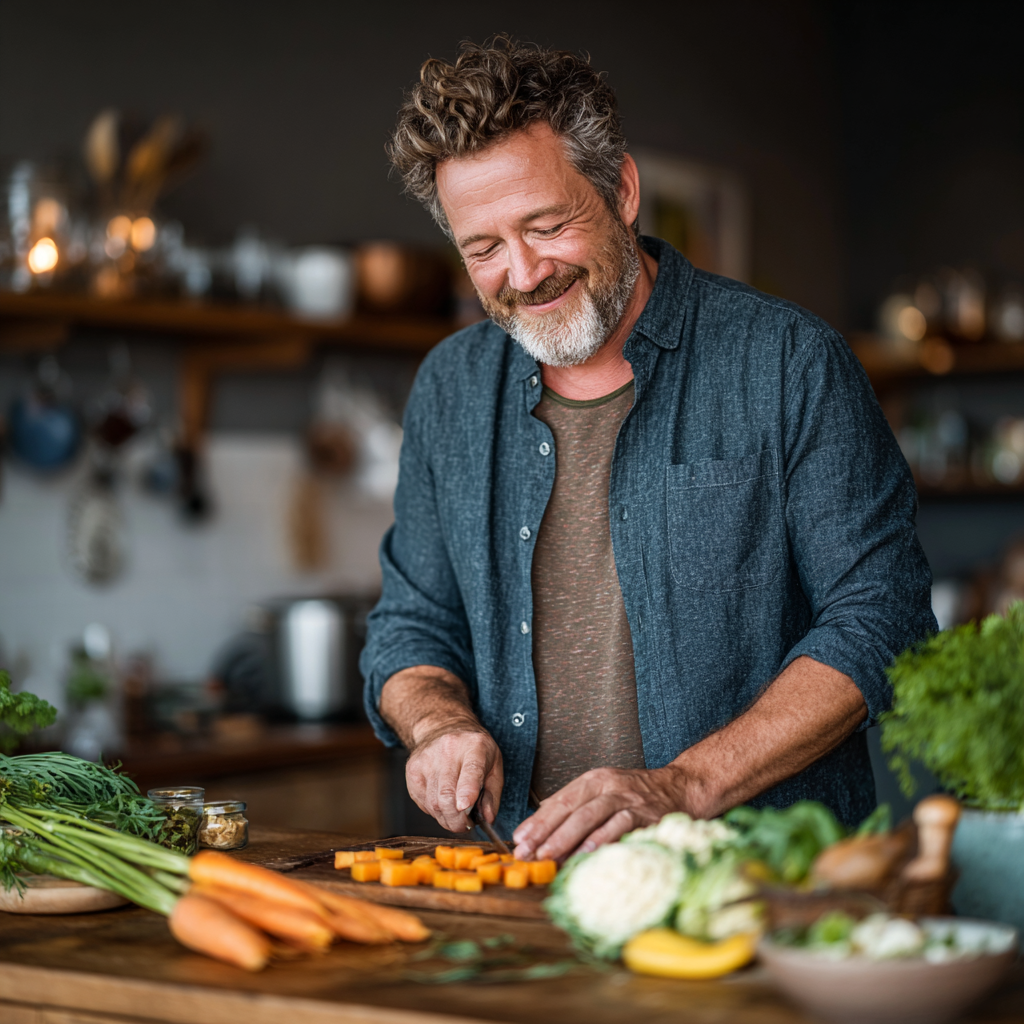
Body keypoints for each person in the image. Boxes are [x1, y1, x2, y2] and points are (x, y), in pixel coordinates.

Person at [360, 37, 935, 863]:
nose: (522, 273)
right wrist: (439, 725)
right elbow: (412, 625)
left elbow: (881, 617)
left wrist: (683, 786)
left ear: (621, 190)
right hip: (521, 885)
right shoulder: (450, 388)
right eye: (482, 247)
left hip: (758, 880)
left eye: (546, 225)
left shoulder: (788, 361)